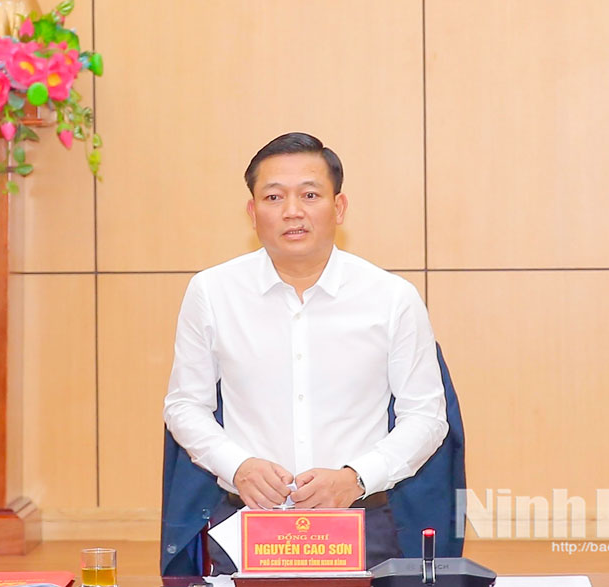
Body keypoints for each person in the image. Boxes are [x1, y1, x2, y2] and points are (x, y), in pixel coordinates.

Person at [163, 132, 448, 572]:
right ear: (252, 212)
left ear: (339, 207)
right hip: (250, 524)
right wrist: (238, 467)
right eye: (273, 197)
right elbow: (185, 405)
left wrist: (356, 478)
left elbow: (426, 417)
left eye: (310, 195)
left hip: (357, 521)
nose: (292, 211)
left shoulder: (392, 297)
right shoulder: (212, 292)